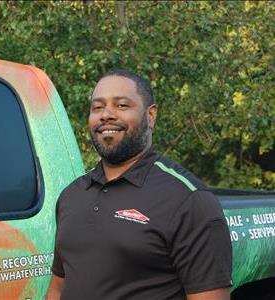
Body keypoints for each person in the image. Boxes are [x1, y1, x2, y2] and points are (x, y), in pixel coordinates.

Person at [46, 69, 232, 300]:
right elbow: (58, 289)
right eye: (97, 107)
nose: (106, 115)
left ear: (151, 115)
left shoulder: (188, 200)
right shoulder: (71, 196)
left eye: (122, 105)